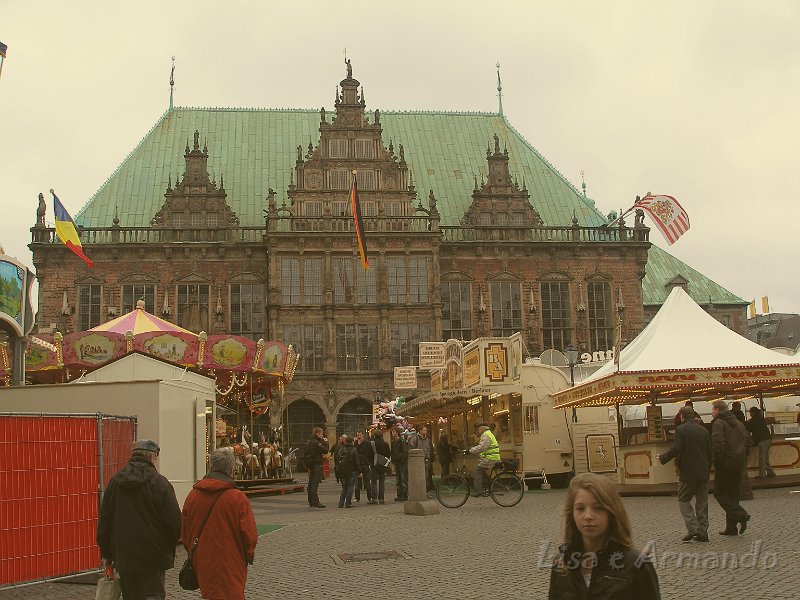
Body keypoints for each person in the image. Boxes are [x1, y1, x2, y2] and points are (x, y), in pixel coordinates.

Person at [548, 473, 660, 599]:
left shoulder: (637, 565)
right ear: (571, 513)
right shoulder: (562, 563)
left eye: (598, 508)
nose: (588, 516)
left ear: (611, 512)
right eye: (580, 509)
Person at [96, 440, 181, 600]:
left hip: (124, 555)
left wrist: (108, 554)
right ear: (152, 457)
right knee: (153, 595)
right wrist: (167, 548)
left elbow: (105, 522)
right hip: (153, 556)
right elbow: (174, 523)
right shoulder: (160, 483)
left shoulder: (115, 482)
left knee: (131, 596)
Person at [181, 448, 258, 600]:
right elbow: (249, 534)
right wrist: (248, 555)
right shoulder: (237, 498)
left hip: (203, 559)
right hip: (231, 559)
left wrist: (193, 552)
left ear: (211, 466)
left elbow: (185, 530)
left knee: (210, 594)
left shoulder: (193, 496)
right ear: (231, 468)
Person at [658, 405, 712, 542]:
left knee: (683, 499)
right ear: (693, 416)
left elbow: (677, 448)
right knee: (702, 501)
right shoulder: (704, 431)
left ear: (681, 416)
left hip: (688, 471)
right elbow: (709, 452)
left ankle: (693, 528)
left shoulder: (680, 430)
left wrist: (663, 457)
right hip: (703, 471)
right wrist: (708, 468)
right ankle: (703, 531)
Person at [710, 399, 751, 535]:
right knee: (733, 494)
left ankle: (741, 514)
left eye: (712, 409)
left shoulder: (718, 424)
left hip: (726, 463)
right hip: (739, 462)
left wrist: (717, 463)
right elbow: (747, 441)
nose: (712, 412)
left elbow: (718, 445)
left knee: (720, 493)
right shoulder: (738, 424)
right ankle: (731, 528)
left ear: (717, 410)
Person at [467, 422, 500, 498]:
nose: (477, 430)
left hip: (490, 458)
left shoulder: (486, 435)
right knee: (480, 470)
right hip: (490, 458)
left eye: (478, 428)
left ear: (482, 428)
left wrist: (470, 451)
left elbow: (482, 447)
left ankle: (479, 491)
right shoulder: (488, 434)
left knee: (477, 471)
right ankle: (485, 486)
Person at [746, 407, 776, 479]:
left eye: (750, 412)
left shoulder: (754, 419)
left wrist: (745, 423)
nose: (750, 414)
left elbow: (749, 427)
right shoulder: (761, 418)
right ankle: (771, 472)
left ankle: (762, 475)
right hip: (767, 439)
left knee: (762, 458)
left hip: (762, 440)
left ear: (753, 412)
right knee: (765, 457)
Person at [334, 434, 360, 508]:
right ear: (352, 442)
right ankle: (348, 503)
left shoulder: (341, 449)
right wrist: (359, 471)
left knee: (344, 487)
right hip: (352, 471)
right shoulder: (354, 449)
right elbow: (357, 461)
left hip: (342, 471)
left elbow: (337, 459)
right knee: (350, 487)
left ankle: (341, 503)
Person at [306, 427, 329, 509]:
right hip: (316, 464)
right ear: (317, 434)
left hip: (312, 464)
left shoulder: (311, 441)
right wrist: (325, 442)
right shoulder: (316, 442)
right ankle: (316, 501)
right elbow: (325, 450)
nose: (322, 436)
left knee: (311, 483)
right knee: (314, 484)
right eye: (321, 434)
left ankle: (311, 501)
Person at [370, 428, 391, 504]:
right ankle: (381, 498)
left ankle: (374, 498)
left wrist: (371, 462)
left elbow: (369, 454)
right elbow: (388, 454)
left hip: (374, 464)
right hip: (383, 465)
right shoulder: (385, 444)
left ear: (374, 435)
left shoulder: (372, 443)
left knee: (374, 482)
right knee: (382, 482)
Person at [390, 426, 409, 501]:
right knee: (398, 479)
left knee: (403, 479)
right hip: (397, 462)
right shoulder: (393, 442)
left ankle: (404, 495)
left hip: (402, 463)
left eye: (394, 432)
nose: (392, 433)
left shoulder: (402, 441)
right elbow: (392, 452)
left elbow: (404, 452)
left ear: (397, 433)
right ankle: (399, 495)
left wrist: (400, 460)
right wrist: (393, 460)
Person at [354, 431, 373, 503]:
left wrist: (369, 462)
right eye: (357, 435)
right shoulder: (355, 443)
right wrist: (358, 444)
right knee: (357, 483)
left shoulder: (367, 444)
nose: (359, 436)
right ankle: (357, 497)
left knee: (367, 482)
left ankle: (370, 497)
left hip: (365, 464)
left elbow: (369, 453)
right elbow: (355, 452)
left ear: (363, 436)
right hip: (358, 465)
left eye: (360, 435)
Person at [416, 425, 435, 491]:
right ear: (420, 431)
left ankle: (425, 489)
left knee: (426, 476)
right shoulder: (416, 439)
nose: (425, 432)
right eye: (424, 430)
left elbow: (429, 449)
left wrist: (428, 458)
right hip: (418, 460)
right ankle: (420, 489)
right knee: (419, 476)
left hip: (426, 460)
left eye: (426, 430)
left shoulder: (427, 440)